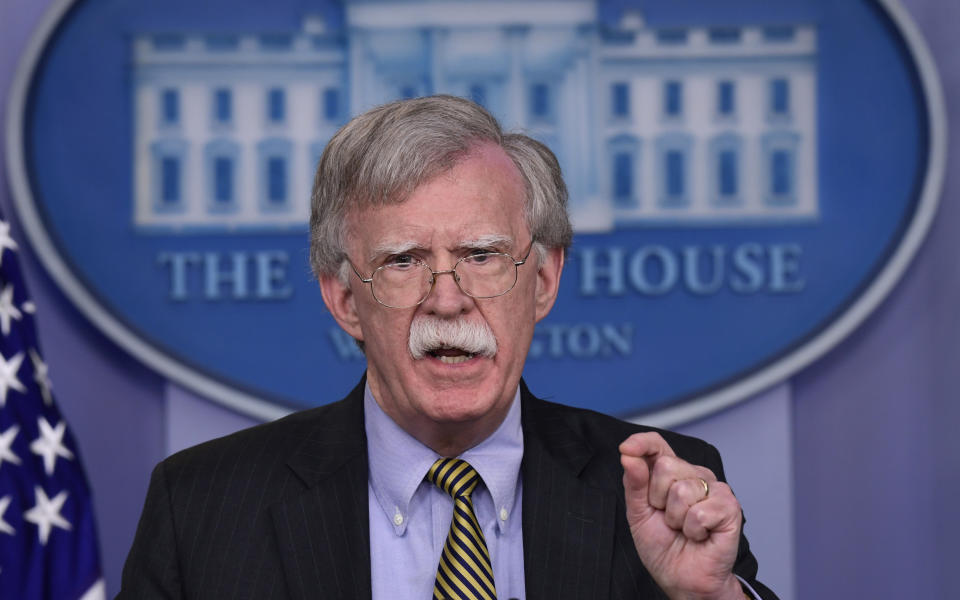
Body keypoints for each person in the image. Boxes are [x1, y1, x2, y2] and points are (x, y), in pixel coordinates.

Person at [118, 95, 776, 600]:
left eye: (482, 255)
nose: (448, 298)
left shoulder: (660, 493)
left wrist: (712, 598)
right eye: (403, 261)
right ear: (345, 299)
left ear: (543, 280)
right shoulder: (202, 505)